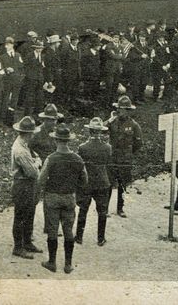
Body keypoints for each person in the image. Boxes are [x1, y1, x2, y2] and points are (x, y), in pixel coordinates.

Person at [38, 123, 87, 273]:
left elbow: (41, 180)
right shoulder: (78, 159)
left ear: (55, 140)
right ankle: (68, 264)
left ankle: (52, 262)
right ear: (68, 141)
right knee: (68, 230)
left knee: (52, 230)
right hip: (69, 198)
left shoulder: (51, 158)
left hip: (52, 198)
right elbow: (84, 180)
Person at [9, 116, 43, 259]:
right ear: (28, 133)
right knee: (21, 216)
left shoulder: (24, 144)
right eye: (32, 133)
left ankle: (27, 242)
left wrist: (35, 160)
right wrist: (38, 162)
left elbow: (34, 157)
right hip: (22, 184)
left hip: (28, 184)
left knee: (29, 214)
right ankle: (18, 247)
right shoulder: (20, 150)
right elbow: (33, 172)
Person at [75, 117, 112, 246]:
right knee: (102, 211)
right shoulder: (107, 148)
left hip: (87, 182)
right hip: (102, 182)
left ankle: (79, 237)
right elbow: (108, 163)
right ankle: (100, 239)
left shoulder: (82, 147)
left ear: (90, 131)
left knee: (83, 209)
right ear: (100, 132)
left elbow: (79, 166)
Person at [106, 96, 142, 218]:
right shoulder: (112, 122)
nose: (122, 111)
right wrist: (109, 120)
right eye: (120, 108)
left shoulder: (133, 125)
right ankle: (105, 208)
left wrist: (129, 153)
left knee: (122, 185)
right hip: (112, 158)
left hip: (125, 159)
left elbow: (138, 142)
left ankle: (120, 208)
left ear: (129, 111)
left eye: (125, 109)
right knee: (109, 184)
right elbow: (102, 130)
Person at [0, 36, 25, 115]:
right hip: (7, 81)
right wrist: (6, 70)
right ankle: (4, 115)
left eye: (9, 44)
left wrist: (20, 77)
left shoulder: (18, 55)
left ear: (12, 45)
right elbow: (1, 69)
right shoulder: (2, 57)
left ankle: (11, 116)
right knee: (5, 99)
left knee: (14, 99)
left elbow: (21, 67)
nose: (7, 46)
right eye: (6, 44)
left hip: (16, 81)